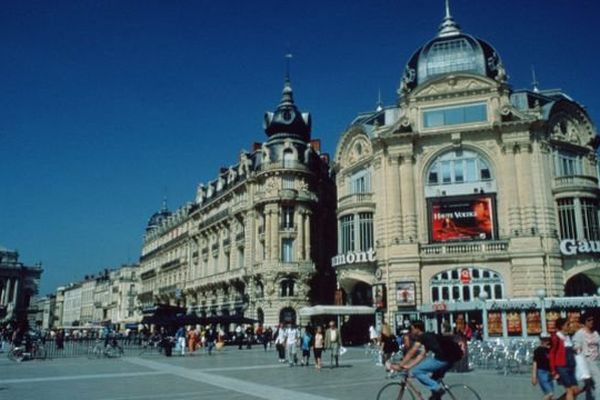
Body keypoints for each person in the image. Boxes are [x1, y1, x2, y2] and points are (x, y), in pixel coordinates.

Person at [388, 320, 454, 400]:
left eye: (412, 329)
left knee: (417, 371)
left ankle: (438, 389)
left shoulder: (422, 337)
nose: (411, 331)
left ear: (418, 329)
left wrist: (400, 366)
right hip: (448, 360)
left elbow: (411, 352)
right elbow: (421, 355)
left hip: (442, 360)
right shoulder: (427, 336)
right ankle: (436, 394)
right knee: (432, 383)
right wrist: (408, 366)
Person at [549, 317, 583, 400]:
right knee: (570, 390)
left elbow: (569, 350)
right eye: (567, 325)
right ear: (561, 326)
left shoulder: (568, 337)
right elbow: (552, 354)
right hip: (562, 367)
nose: (569, 326)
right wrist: (553, 371)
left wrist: (575, 350)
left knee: (576, 390)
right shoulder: (556, 337)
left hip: (571, 366)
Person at [573, 313, 599, 400]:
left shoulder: (595, 333)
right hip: (587, 361)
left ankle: (569, 395)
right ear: (584, 321)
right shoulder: (580, 333)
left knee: (588, 385)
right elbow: (576, 347)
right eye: (589, 320)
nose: (591, 321)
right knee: (598, 382)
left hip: (597, 361)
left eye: (592, 320)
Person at [532, 333, 555, 400]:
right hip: (542, 373)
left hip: (549, 373)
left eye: (548, 340)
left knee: (551, 396)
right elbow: (535, 363)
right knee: (550, 393)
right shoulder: (538, 350)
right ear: (541, 340)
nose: (547, 341)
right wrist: (534, 376)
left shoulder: (550, 350)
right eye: (544, 340)